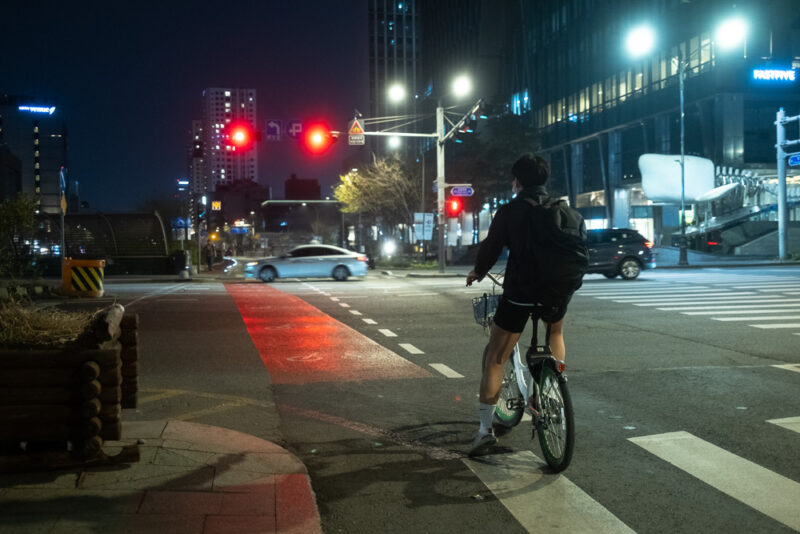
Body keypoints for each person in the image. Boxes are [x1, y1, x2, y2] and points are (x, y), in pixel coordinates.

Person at [465, 154, 570, 456]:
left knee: (496, 356)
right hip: (557, 291)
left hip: (521, 292)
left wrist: (478, 271)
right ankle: (554, 391)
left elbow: (491, 247)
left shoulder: (510, 211)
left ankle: (485, 432)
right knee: (555, 335)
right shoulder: (562, 209)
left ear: (518, 181)